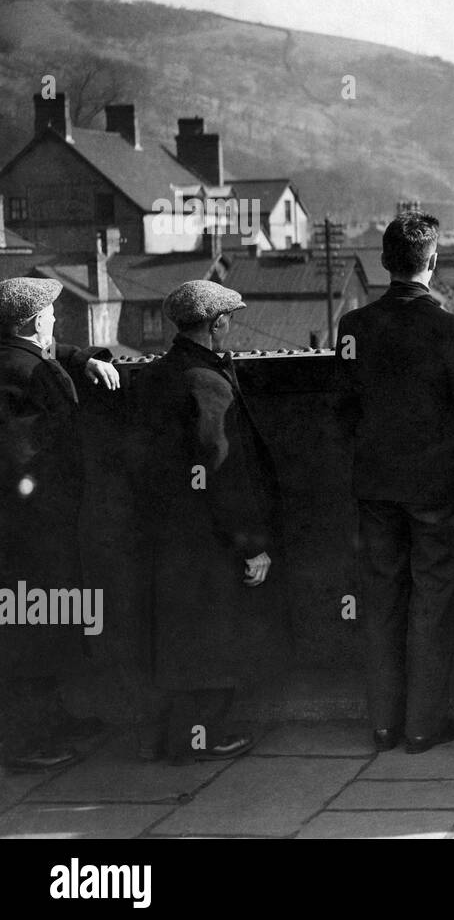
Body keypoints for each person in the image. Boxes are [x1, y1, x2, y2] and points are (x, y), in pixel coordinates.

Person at [336, 211, 454, 754]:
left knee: (381, 601)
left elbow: (343, 407)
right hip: (435, 488)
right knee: (433, 601)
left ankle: (382, 724)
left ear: (383, 262)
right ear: (433, 262)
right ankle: (423, 725)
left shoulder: (353, 328)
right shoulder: (450, 329)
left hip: (374, 486)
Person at [131, 280, 281, 764]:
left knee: (177, 640)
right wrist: (250, 543)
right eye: (228, 319)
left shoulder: (158, 375)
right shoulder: (208, 383)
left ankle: (166, 737)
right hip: (209, 539)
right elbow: (223, 472)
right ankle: (199, 739)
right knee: (211, 643)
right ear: (216, 325)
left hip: (167, 533)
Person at [0, 277, 118, 771]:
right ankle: (26, 742)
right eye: (49, 313)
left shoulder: (20, 357)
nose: (55, 319)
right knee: (31, 628)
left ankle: (52, 717)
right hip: (30, 528)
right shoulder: (14, 372)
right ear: (30, 322)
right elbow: (16, 458)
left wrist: (83, 358)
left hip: (42, 524)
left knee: (49, 622)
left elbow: (52, 353)